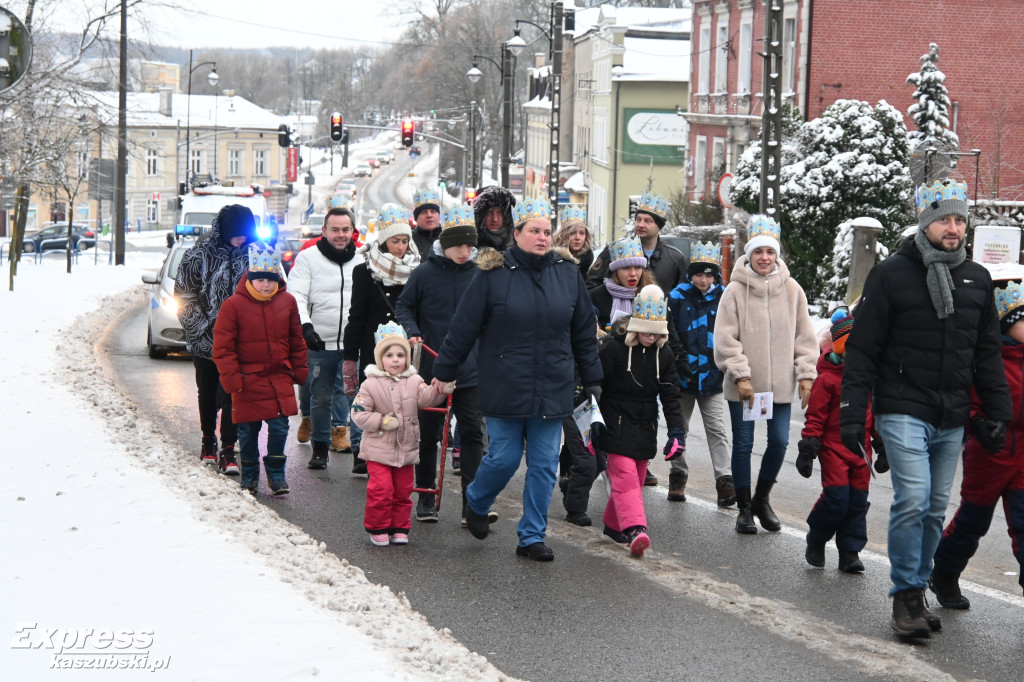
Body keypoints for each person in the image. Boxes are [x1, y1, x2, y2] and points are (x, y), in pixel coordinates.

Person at [840, 179, 1011, 639]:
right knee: (913, 498)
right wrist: (853, 409)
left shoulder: (977, 279)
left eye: (959, 219)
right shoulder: (892, 273)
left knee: (936, 508)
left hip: (951, 414)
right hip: (902, 405)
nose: (953, 228)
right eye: (943, 219)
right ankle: (906, 595)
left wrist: (999, 414)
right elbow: (863, 349)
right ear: (924, 223)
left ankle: (917, 585)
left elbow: (986, 355)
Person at [430, 197, 603, 562]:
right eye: (534, 231)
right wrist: (444, 373)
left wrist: (593, 378)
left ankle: (531, 536)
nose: (541, 237)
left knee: (543, 465)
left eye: (546, 231)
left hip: (553, 384)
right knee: (505, 458)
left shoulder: (567, 274)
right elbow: (463, 329)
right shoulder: (492, 275)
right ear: (517, 234)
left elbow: (584, 332)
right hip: (505, 381)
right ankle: (476, 501)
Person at [715, 214, 818, 536]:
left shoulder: (793, 290)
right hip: (745, 387)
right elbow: (725, 339)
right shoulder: (734, 291)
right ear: (750, 254)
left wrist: (805, 374)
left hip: (780, 388)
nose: (764, 258)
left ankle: (762, 499)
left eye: (770, 252)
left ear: (777, 255)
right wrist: (741, 376)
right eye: (758, 252)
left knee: (779, 442)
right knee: (743, 445)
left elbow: (805, 338)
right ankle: (744, 508)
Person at [931, 279, 1024, 605]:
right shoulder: (987, 359)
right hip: (989, 454)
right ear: (1007, 325)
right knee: (973, 522)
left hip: (1023, 457)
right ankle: (943, 573)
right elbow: (965, 402)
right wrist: (978, 423)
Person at [395, 203, 487, 525]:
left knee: (474, 433)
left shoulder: (480, 274)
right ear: (446, 243)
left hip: (471, 367)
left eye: (470, 244)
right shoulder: (424, 272)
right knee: (429, 432)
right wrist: (414, 332)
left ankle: (472, 505)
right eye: (459, 244)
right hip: (432, 366)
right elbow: (403, 306)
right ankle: (425, 498)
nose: (465, 251)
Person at [211, 245, 308, 494]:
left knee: (279, 428)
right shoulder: (233, 305)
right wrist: (233, 379)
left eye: (270, 279)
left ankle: (276, 474)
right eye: (260, 280)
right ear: (251, 279)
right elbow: (223, 347)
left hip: (278, 377)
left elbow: (296, 340)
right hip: (247, 379)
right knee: (248, 430)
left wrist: (299, 370)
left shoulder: (287, 302)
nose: (265, 285)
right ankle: (250, 476)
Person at [598, 285, 686, 558]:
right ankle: (636, 529)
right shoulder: (613, 349)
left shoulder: (665, 354)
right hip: (615, 423)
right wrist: (589, 427)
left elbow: (671, 396)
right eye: (647, 331)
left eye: (657, 332)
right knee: (625, 479)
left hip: (645, 425)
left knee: (633, 479)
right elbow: (595, 388)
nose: (652, 337)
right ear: (636, 327)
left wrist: (676, 432)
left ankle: (614, 526)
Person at [796, 310, 886, 573]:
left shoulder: (869, 380)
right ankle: (817, 536)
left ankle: (850, 551)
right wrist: (808, 447)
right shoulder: (827, 380)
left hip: (861, 450)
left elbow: (875, 416)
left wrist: (881, 446)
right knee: (837, 499)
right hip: (834, 447)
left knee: (858, 502)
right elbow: (815, 417)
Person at [350, 322, 452, 546]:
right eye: (389, 355)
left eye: (400, 354)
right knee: (381, 489)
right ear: (380, 359)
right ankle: (378, 527)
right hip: (378, 449)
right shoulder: (370, 384)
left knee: (403, 490)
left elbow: (425, 398)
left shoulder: (414, 381)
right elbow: (358, 413)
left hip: (406, 448)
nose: (395, 359)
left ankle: (399, 527)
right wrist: (381, 422)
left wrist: (439, 389)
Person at [174, 204, 255, 473]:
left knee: (233, 393)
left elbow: (268, 292)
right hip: (206, 340)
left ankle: (229, 448)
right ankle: (208, 440)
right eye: (238, 233)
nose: (243, 238)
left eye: (246, 234)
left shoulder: (254, 257)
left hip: (239, 342)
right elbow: (184, 296)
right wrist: (201, 328)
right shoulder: (197, 255)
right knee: (207, 392)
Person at [342, 203, 420, 465]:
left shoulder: (417, 271)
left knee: (400, 401)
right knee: (371, 399)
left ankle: (397, 449)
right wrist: (350, 356)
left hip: (404, 349)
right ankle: (361, 451)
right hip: (373, 348)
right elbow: (357, 316)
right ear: (385, 241)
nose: (401, 247)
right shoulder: (364, 272)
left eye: (405, 241)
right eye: (395, 241)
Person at [288, 206, 360, 473]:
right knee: (320, 397)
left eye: (345, 229)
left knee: (359, 398)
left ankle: (360, 453)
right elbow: (297, 295)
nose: (340, 235)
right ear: (325, 231)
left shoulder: (362, 259)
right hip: (320, 342)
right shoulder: (308, 258)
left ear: (353, 231)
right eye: (335, 230)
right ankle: (319, 448)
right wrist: (306, 326)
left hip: (354, 344)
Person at [667, 241, 735, 507]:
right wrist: (677, 361)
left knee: (717, 429)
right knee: (680, 427)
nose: (703, 279)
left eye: (708, 274)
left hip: (713, 376)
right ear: (690, 274)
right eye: (698, 274)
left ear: (715, 275)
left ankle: (725, 480)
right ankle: (678, 473)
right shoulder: (676, 297)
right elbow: (669, 333)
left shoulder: (725, 297)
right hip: (682, 376)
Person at [586, 191, 687, 292]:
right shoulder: (616, 251)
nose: (641, 225)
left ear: (659, 227)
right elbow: (590, 287)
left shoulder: (674, 258)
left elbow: (682, 295)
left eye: (648, 221)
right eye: (638, 219)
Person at [589, 236, 654, 330]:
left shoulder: (652, 296)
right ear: (616, 271)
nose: (633, 274)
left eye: (637, 267)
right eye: (626, 268)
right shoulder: (595, 297)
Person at [552, 204, 594, 276]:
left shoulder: (588, 259)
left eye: (582, 233)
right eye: (572, 233)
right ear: (563, 235)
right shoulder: (551, 256)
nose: (577, 237)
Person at [473, 185, 516, 252]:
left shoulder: (518, 242)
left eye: (500, 212)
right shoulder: (471, 244)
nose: (495, 219)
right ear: (481, 215)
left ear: (508, 215)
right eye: (489, 212)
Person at [410, 189, 442, 257]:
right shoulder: (410, 241)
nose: (429, 215)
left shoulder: (448, 237)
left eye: (433, 211)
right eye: (424, 212)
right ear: (416, 218)